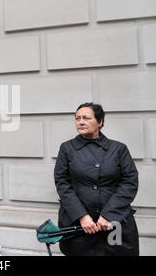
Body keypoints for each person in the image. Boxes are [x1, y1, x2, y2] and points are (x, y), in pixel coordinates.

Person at [54, 102, 139, 256]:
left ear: (100, 122)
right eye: (77, 118)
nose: (80, 122)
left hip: (115, 223)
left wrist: (108, 215)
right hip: (80, 224)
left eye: (86, 118)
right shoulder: (67, 148)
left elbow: (129, 182)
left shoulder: (118, 149)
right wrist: (82, 216)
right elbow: (62, 184)